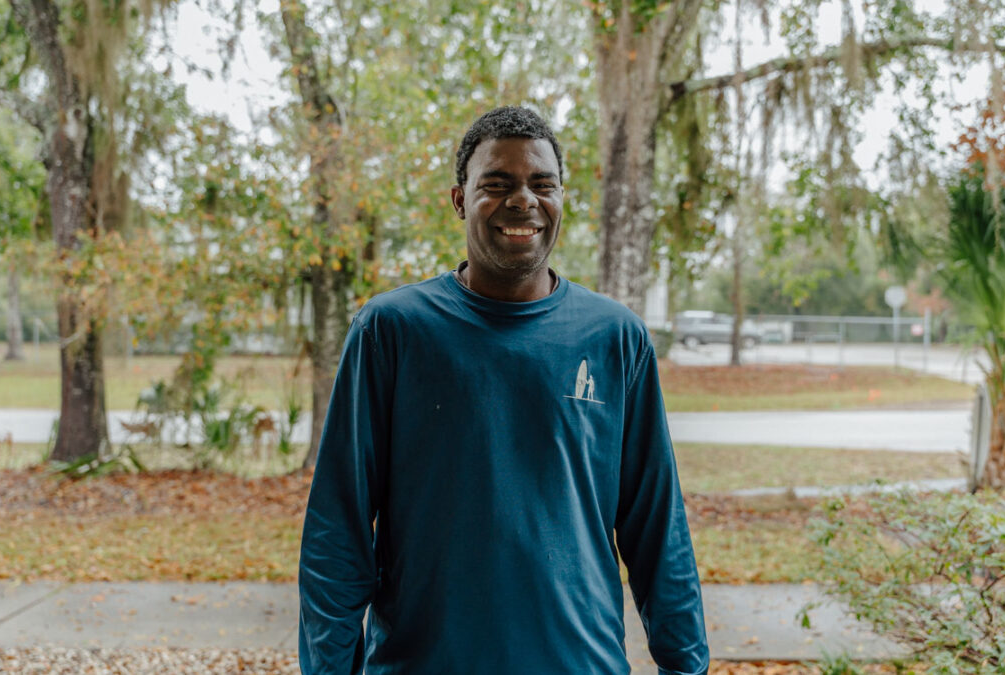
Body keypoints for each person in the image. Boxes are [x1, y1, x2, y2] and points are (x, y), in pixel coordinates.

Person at [299, 106, 709, 675]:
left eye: (543, 184)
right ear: (459, 199)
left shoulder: (616, 337)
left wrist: (684, 665)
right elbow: (337, 529)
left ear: (561, 198)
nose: (523, 200)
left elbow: (657, 528)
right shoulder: (392, 329)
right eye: (497, 184)